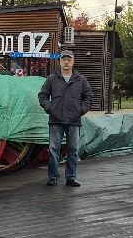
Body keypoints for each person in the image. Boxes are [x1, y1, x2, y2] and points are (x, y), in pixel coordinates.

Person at [38, 49, 92, 187]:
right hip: (56, 120)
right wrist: (50, 109)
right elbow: (42, 95)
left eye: (69, 60)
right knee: (54, 149)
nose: (66, 62)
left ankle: (71, 177)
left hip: (74, 120)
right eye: (64, 60)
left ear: (73, 62)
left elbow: (88, 97)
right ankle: (53, 177)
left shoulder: (81, 79)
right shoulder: (51, 79)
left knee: (73, 150)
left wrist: (81, 110)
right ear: (60, 61)